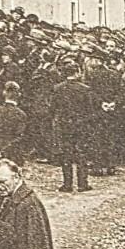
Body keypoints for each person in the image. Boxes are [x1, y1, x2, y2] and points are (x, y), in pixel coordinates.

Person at [50, 58, 95, 193]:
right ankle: (82, 183)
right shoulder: (85, 89)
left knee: (66, 154)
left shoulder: (58, 88)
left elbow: (53, 107)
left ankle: (67, 184)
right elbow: (90, 109)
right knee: (81, 153)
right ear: (77, 72)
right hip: (81, 125)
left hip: (64, 125)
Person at [0, 81, 27, 169]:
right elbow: (20, 138)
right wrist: (4, 152)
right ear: (19, 95)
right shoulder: (21, 114)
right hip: (13, 155)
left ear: (4, 93)